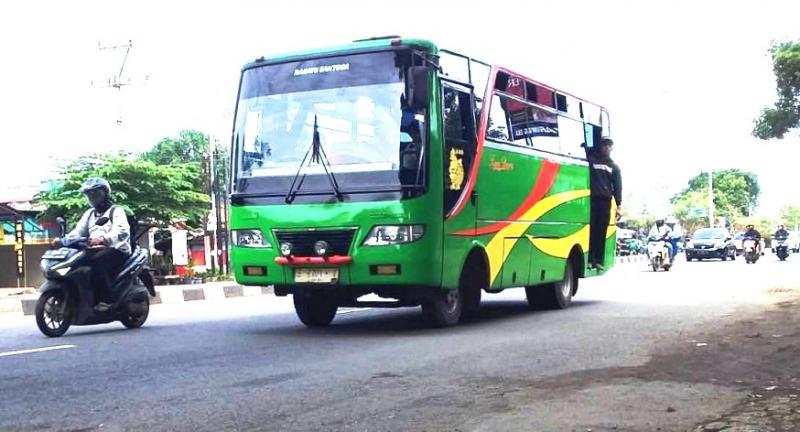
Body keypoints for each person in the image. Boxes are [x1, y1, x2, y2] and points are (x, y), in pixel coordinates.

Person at [54, 177, 131, 312]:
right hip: (94, 249)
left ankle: (106, 301)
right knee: (75, 264)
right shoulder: (89, 214)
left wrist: (104, 239)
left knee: (96, 264)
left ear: (106, 194)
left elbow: (122, 231)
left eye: (96, 194)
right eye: (90, 195)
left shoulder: (116, 211)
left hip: (117, 249)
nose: (93, 198)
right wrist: (63, 240)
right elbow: (78, 231)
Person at [588, 138, 622, 271]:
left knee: (601, 232)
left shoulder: (614, 167)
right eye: (604, 145)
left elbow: (618, 187)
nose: (606, 148)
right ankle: (590, 258)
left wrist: (618, 206)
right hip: (591, 200)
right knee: (591, 230)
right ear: (600, 146)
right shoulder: (591, 161)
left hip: (605, 202)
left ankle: (597, 260)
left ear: (612, 148)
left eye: (609, 145)